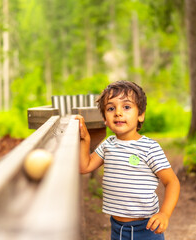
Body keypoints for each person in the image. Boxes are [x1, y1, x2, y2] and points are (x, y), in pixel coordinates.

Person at [75, 81, 180, 240]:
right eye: (111, 108)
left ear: (140, 115)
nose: (118, 112)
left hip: (146, 229)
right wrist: (85, 140)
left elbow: (172, 182)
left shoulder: (149, 148)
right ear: (105, 118)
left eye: (126, 107)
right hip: (117, 229)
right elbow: (84, 167)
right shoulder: (108, 145)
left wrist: (164, 214)